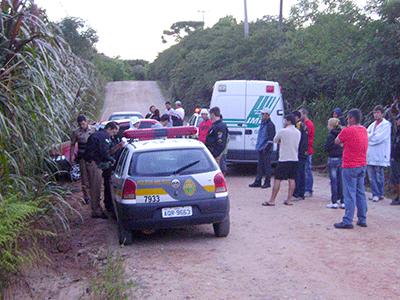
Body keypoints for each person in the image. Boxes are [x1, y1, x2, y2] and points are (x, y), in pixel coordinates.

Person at [334, 109, 368, 229]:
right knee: (360, 192)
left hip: (350, 165)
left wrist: (343, 130)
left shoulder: (347, 130)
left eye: (348, 118)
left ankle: (348, 220)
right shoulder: (364, 130)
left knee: (349, 193)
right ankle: (362, 218)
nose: (347, 120)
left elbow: (337, 141)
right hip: (362, 164)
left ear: (352, 118)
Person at [263, 114, 301, 206]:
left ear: (288, 121)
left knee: (278, 179)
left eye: (285, 120)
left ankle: (272, 200)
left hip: (284, 158)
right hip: (294, 158)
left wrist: (282, 141)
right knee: (292, 179)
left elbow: (275, 140)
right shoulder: (298, 132)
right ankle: (289, 199)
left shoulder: (283, 131)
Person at [84, 121, 120, 219]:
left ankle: (97, 208)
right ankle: (96, 211)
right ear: (110, 129)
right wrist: (112, 160)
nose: (113, 135)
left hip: (91, 162)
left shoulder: (97, 134)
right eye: (113, 132)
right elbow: (104, 152)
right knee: (96, 187)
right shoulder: (104, 137)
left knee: (95, 186)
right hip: (94, 163)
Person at [366, 105, 391, 202]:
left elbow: (379, 138)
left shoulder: (386, 125)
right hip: (370, 154)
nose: (376, 115)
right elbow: (365, 134)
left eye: (378, 113)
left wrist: (370, 138)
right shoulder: (372, 125)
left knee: (379, 176)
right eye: (374, 113)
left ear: (382, 113)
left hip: (380, 154)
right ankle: (374, 193)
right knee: (371, 177)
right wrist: (371, 137)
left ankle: (380, 194)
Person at [70, 115, 96, 204]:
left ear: (86, 121)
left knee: (93, 177)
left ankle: (94, 196)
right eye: (80, 124)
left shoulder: (93, 130)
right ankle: (86, 197)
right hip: (82, 158)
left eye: (83, 124)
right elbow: (72, 144)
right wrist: (71, 156)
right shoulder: (76, 132)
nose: (82, 126)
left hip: (92, 157)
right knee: (84, 179)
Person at [249, 108, 276, 189]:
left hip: (266, 149)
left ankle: (267, 182)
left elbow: (271, 139)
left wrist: (266, 148)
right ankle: (258, 181)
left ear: (267, 115)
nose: (261, 115)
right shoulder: (263, 123)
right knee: (260, 166)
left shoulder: (270, 125)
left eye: (263, 114)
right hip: (261, 148)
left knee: (267, 166)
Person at [324, 118, 344, 209]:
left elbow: (327, 147)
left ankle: (334, 201)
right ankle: (342, 200)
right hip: (341, 158)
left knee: (333, 181)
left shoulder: (330, 135)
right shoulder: (342, 133)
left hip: (332, 158)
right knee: (341, 180)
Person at [292, 111, 309, 200]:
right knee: (301, 173)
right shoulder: (303, 125)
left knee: (298, 173)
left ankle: (297, 193)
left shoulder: (298, 126)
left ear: (296, 117)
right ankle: (301, 193)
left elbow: (298, 139)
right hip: (303, 152)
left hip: (299, 152)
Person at [300, 108, 315, 198]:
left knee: (307, 170)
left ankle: (308, 189)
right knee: (304, 169)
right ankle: (304, 187)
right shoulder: (303, 124)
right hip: (304, 149)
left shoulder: (308, 124)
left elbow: (307, 138)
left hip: (307, 150)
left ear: (304, 114)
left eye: (301, 114)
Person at [390, 114, 400, 205]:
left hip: (397, 158)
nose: (397, 121)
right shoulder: (397, 132)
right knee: (395, 178)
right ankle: (397, 196)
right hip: (394, 158)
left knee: (397, 178)